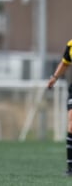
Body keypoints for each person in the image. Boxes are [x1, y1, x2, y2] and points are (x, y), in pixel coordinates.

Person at [47, 39, 72, 176]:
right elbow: (65, 62)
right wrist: (54, 77)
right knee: (71, 125)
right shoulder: (70, 45)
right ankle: (70, 167)